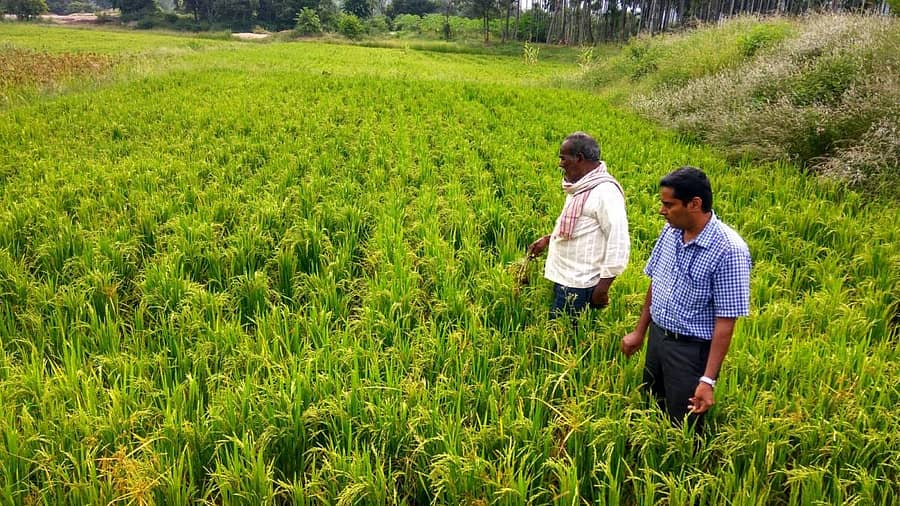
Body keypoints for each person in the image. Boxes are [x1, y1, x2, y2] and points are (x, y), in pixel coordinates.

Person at [621, 167, 751, 431]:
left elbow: (726, 323)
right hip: (659, 339)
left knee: (684, 425)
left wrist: (708, 380)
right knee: (651, 404)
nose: (662, 210)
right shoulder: (670, 232)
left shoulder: (729, 250)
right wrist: (640, 332)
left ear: (695, 204)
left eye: (669, 204)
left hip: (690, 351)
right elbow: (656, 282)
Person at [527, 132, 629, 319]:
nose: (560, 163)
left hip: (580, 282)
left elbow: (618, 241)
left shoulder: (605, 192)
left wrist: (603, 289)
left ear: (579, 158)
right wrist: (548, 240)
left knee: (561, 338)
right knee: (558, 331)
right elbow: (578, 227)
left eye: (563, 158)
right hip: (564, 275)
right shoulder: (581, 187)